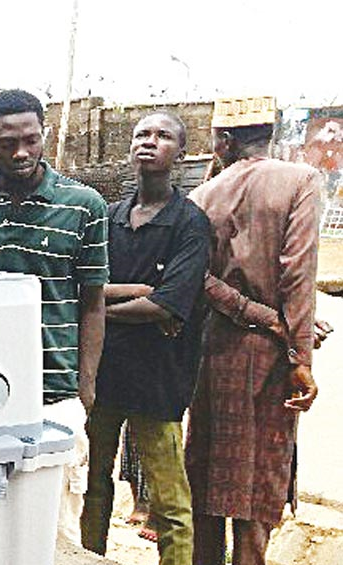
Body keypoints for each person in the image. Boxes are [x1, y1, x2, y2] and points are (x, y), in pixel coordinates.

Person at [0, 89, 108, 545]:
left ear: (44, 136)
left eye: (31, 140)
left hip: (57, 392)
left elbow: (93, 302)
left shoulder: (84, 206)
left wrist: (86, 386)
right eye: (7, 143)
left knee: (56, 529)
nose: (21, 152)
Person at [186, 99, 322, 565]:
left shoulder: (202, 196)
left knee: (209, 478)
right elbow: (297, 277)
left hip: (216, 351)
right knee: (261, 478)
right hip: (274, 355)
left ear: (223, 140)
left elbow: (197, 279)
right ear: (271, 131)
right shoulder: (301, 180)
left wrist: (250, 311)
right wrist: (299, 356)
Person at [81, 112, 210, 565]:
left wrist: (99, 313)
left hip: (159, 376)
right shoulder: (110, 218)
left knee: (169, 498)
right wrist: (135, 297)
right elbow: (86, 288)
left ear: (180, 152)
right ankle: (89, 556)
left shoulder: (189, 224)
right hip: (104, 373)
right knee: (93, 486)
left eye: (164, 136)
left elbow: (168, 305)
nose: (150, 143)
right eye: (142, 134)